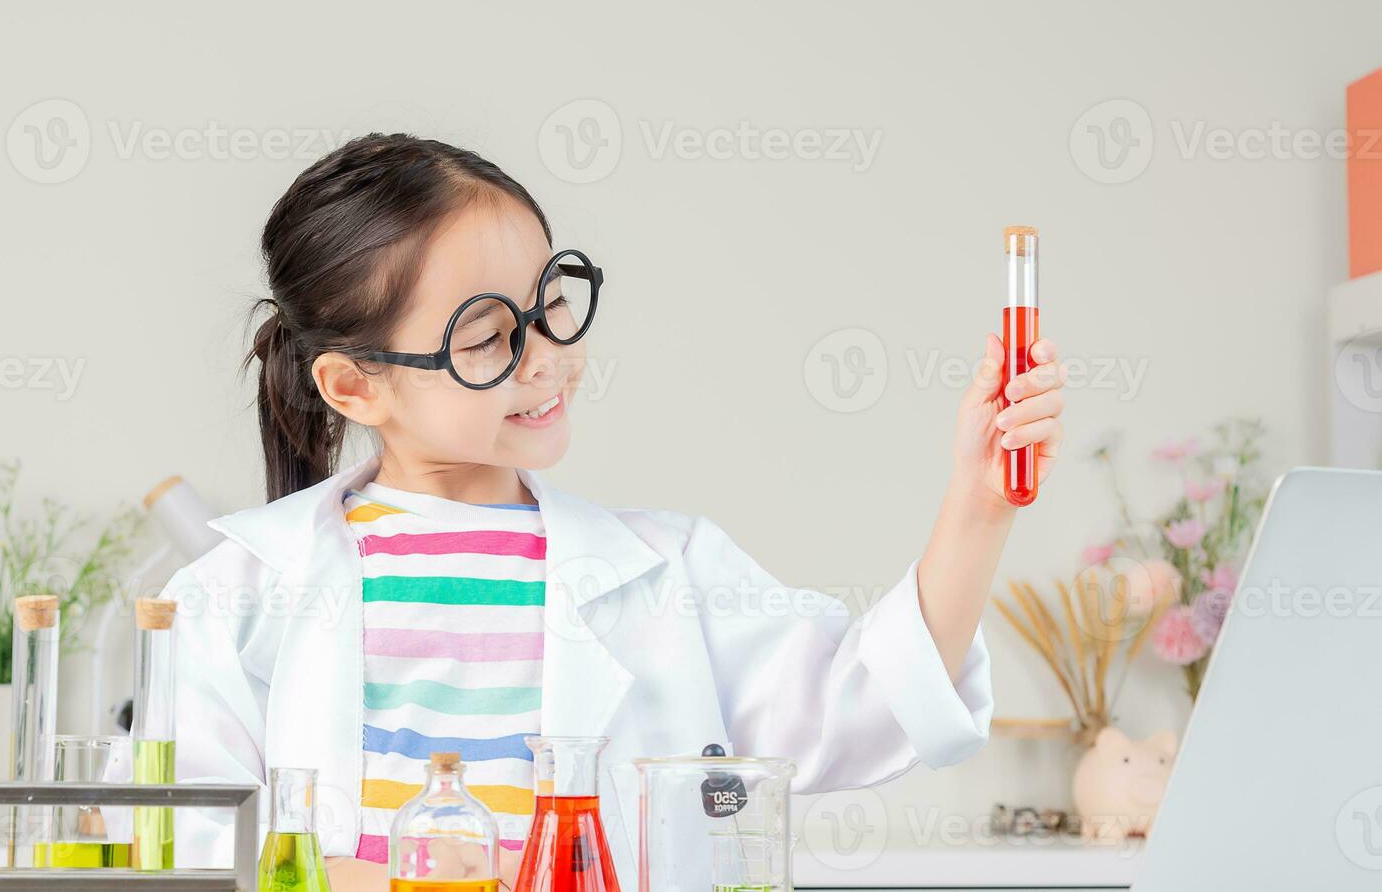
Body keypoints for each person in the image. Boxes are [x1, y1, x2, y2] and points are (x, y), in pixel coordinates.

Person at [159, 132, 1066, 891]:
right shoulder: (232, 598)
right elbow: (192, 849)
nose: (546, 356)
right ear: (355, 384)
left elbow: (873, 704)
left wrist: (980, 505)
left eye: (552, 304)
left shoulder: (668, 571)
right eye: (487, 339)